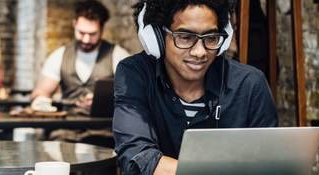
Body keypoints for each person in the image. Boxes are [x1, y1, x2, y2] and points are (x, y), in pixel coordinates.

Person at [113, 0, 278, 174]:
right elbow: (138, 157)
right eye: (185, 37)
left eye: (211, 38)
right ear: (157, 37)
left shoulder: (250, 84)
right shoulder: (135, 74)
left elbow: (267, 163)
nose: (200, 52)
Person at [31, 0, 130, 115]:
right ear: (74, 24)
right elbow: (40, 93)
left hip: (103, 128)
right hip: (66, 129)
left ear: (102, 29)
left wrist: (104, 101)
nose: (86, 39)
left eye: (92, 34)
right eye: (82, 33)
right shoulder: (59, 56)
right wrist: (41, 101)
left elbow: (132, 96)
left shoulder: (118, 56)